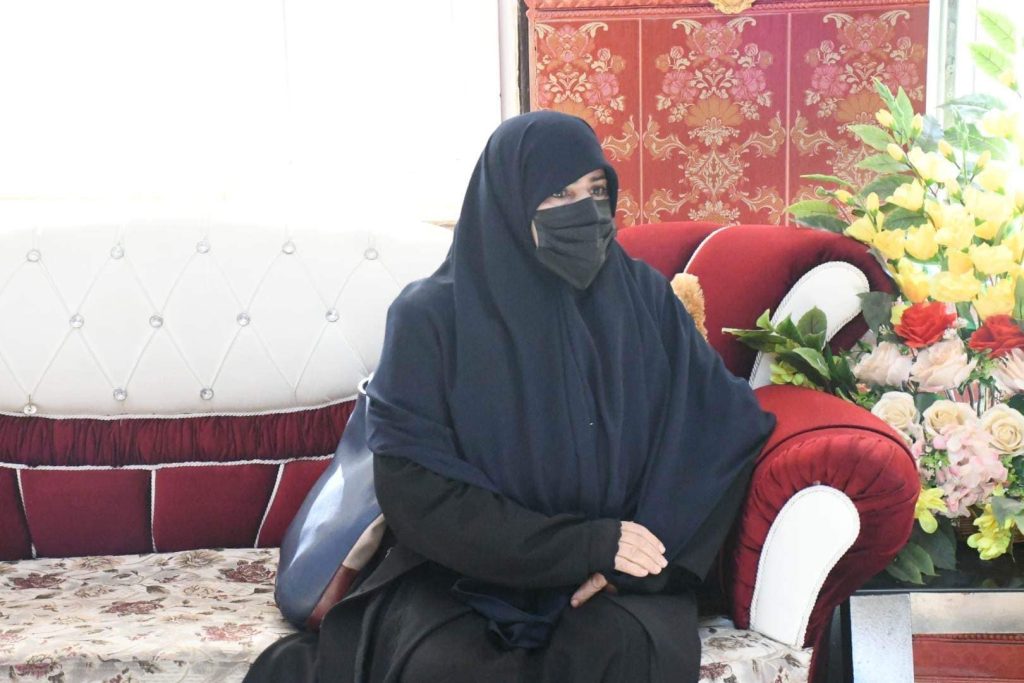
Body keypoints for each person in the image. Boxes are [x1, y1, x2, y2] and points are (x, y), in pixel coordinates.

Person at [245, 110, 777, 683]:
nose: (584, 211)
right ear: (505, 202)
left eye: (596, 191)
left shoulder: (643, 298)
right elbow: (416, 490)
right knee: (445, 669)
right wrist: (580, 546)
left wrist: (637, 556)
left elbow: (720, 427)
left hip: (611, 579)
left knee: (620, 656)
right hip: (463, 574)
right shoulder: (431, 318)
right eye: (559, 194)